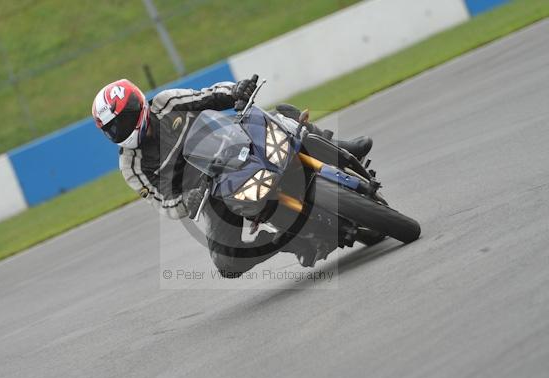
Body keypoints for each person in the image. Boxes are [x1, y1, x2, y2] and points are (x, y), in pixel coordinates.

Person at [91, 77, 373, 278]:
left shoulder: (166, 102)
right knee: (226, 263)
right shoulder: (131, 165)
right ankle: (291, 241)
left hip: (235, 142)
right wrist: (186, 201)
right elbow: (162, 203)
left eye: (122, 121)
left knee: (283, 115)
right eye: (111, 129)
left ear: (136, 107)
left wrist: (236, 90)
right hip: (211, 194)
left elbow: (210, 94)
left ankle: (343, 150)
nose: (120, 131)